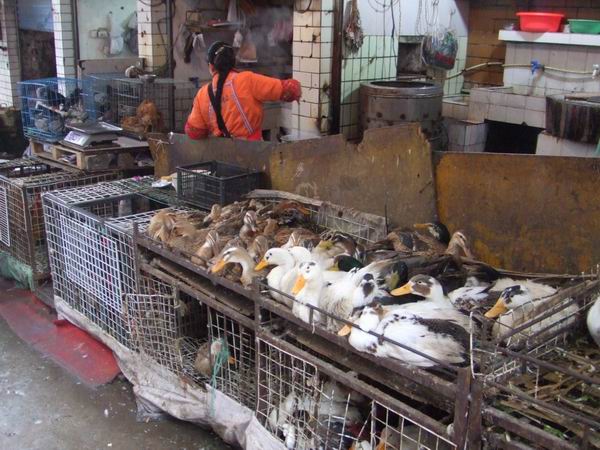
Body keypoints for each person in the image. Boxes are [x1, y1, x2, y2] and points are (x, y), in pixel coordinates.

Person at [185, 41, 302, 141]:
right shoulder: (247, 80)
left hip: (221, 156)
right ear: (233, 62)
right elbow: (290, 89)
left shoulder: (202, 94)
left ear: (211, 66)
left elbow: (194, 132)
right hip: (253, 152)